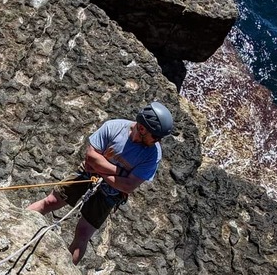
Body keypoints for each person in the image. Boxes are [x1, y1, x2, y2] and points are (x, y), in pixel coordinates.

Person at [28, 102, 173, 264]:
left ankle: (64, 269)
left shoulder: (153, 155)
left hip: (111, 193)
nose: (158, 141)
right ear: (142, 128)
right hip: (87, 174)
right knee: (51, 201)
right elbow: (91, 157)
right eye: (156, 136)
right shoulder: (114, 127)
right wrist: (121, 172)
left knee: (83, 233)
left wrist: (100, 169)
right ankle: (19, 223)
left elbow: (128, 186)